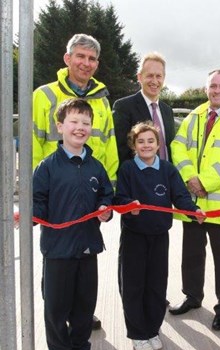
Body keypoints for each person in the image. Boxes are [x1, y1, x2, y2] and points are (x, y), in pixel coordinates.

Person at [32, 33, 118, 330]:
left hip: (90, 194)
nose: (86, 63)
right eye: (80, 56)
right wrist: (40, 194)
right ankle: (59, 315)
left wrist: (107, 193)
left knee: (84, 259)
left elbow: (108, 146)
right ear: (67, 59)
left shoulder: (102, 101)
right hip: (56, 193)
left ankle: (80, 312)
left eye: (92, 58)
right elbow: (33, 143)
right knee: (58, 261)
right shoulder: (44, 95)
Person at [33, 99, 114, 350]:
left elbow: (106, 194)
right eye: (74, 122)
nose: (80, 128)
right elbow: (37, 201)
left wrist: (105, 209)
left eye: (86, 123)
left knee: (84, 302)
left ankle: (80, 346)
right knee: (57, 305)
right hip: (57, 250)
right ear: (60, 126)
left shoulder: (95, 166)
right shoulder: (47, 167)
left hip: (87, 247)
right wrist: (29, 216)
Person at [169, 69, 220, 331]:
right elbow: (177, 147)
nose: (217, 90)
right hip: (193, 203)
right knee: (192, 255)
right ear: (206, 89)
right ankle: (192, 297)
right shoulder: (194, 117)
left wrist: (205, 182)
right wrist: (190, 177)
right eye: (212, 86)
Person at [113, 122, 205, 350]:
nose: (146, 145)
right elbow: (120, 199)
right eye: (141, 141)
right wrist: (128, 207)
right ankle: (137, 333)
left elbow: (181, 196)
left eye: (150, 141)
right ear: (134, 145)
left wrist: (193, 212)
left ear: (158, 144)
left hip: (159, 237)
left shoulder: (168, 169)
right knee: (134, 285)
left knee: (156, 284)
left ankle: (152, 329)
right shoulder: (127, 170)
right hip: (134, 237)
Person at [113, 52, 175, 164]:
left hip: (166, 177)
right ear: (139, 77)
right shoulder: (123, 107)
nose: (155, 81)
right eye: (150, 76)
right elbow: (120, 151)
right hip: (137, 178)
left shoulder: (167, 111)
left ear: (164, 78)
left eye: (159, 76)